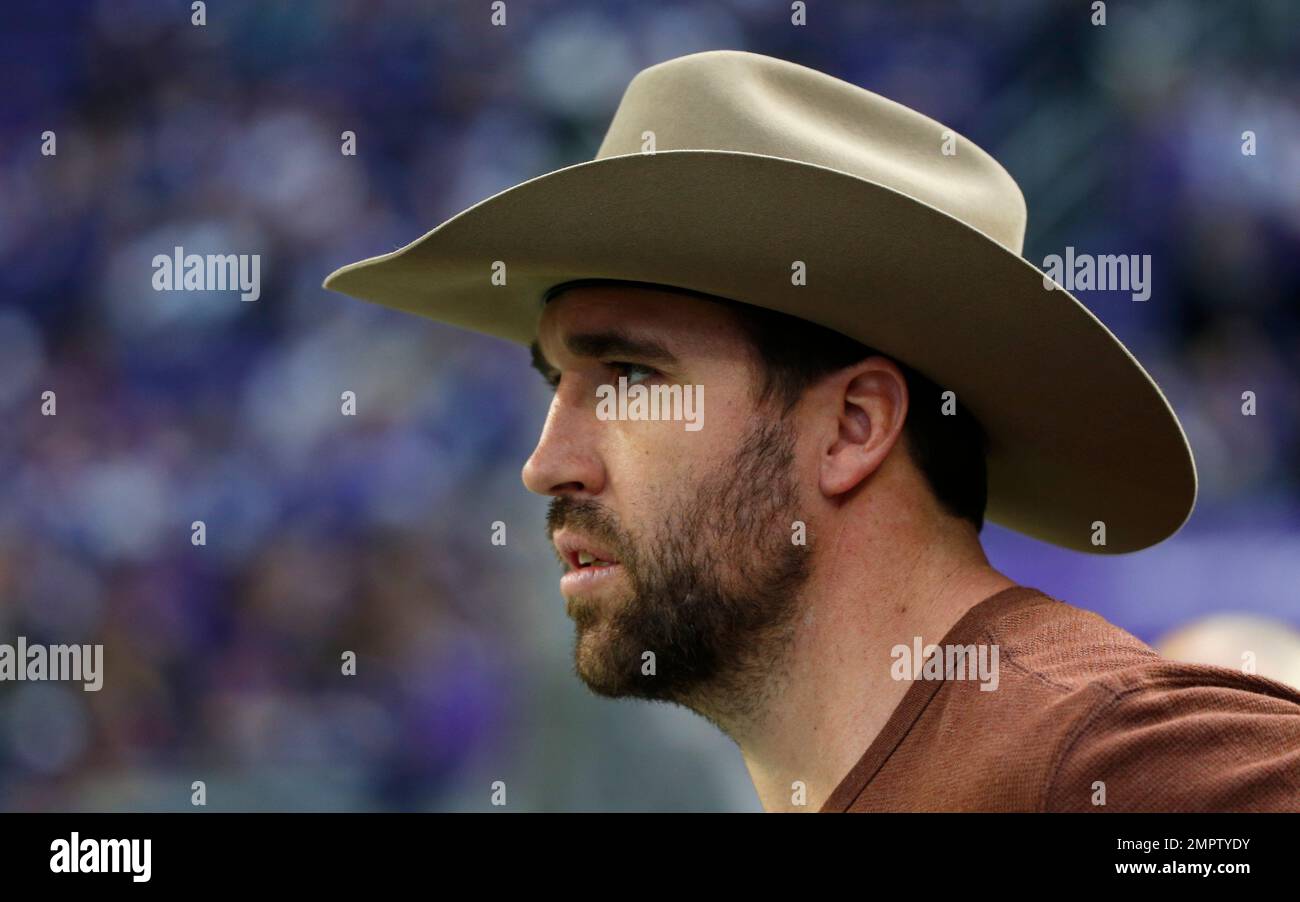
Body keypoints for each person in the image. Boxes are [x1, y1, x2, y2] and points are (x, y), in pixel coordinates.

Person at [324, 50, 1300, 811]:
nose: (547, 463)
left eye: (629, 376)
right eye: (556, 382)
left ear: (854, 425)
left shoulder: (1118, 758)